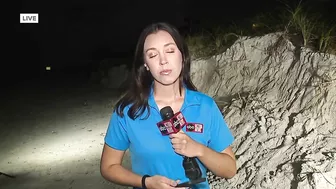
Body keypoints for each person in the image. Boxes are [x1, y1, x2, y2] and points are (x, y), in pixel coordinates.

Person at [100, 22, 237, 189]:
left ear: (182, 56)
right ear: (145, 64)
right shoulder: (128, 111)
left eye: (170, 51)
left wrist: (200, 150)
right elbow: (108, 167)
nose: (163, 61)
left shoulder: (205, 106)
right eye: (152, 55)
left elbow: (230, 169)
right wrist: (146, 182)